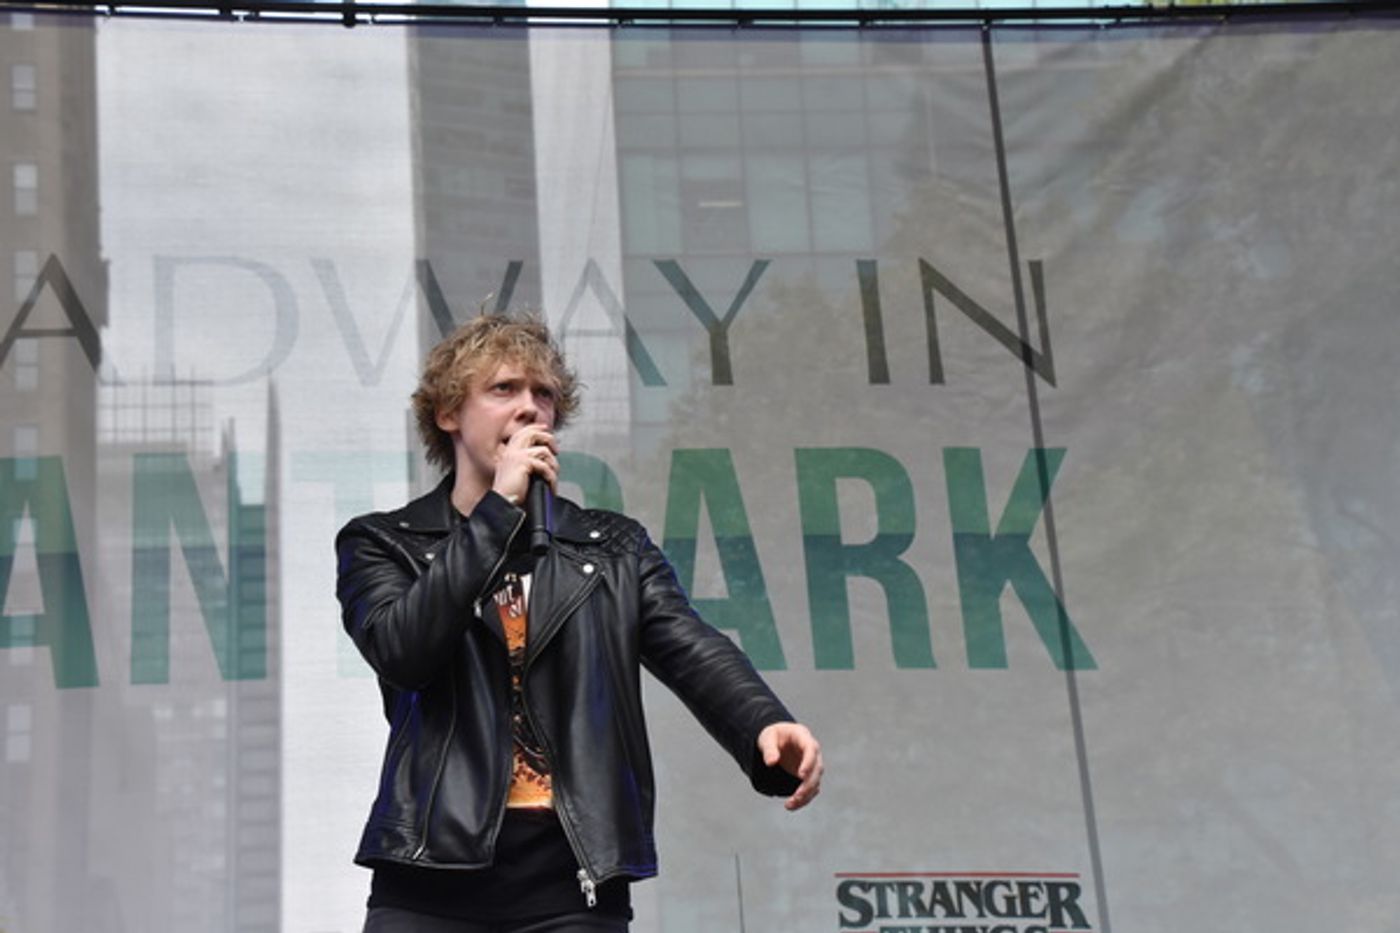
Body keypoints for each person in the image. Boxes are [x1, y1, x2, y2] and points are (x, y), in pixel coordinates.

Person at [336, 313, 823, 933]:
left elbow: (691, 645)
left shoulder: (613, 549)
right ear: (449, 414)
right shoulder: (385, 543)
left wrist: (763, 719)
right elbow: (404, 650)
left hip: (572, 877)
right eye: (504, 389)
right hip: (429, 873)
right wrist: (495, 515)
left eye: (544, 395)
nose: (530, 409)